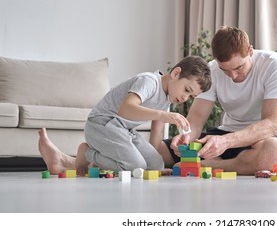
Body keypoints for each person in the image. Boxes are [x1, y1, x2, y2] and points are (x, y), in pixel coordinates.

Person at [38, 55, 211, 176]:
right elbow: (126, 109)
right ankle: (89, 153)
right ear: (175, 73)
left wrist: (154, 161)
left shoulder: (168, 97)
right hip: (102, 124)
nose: (184, 98)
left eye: (191, 96)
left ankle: (93, 158)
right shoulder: (150, 81)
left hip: (124, 130)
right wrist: (163, 115)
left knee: (156, 164)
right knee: (136, 166)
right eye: (187, 90)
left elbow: (156, 134)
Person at [159, 26, 277, 175]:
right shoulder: (212, 70)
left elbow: (271, 125)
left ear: (250, 51)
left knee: (275, 154)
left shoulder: (275, 66)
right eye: (225, 71)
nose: (234, 76)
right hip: (225, 135)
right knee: (161, 152)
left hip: (261, 140)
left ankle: (210, 165)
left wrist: (226, 142)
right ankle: (226, 164)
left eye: (239, 68)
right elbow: (196, 119)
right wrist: (185, 138)